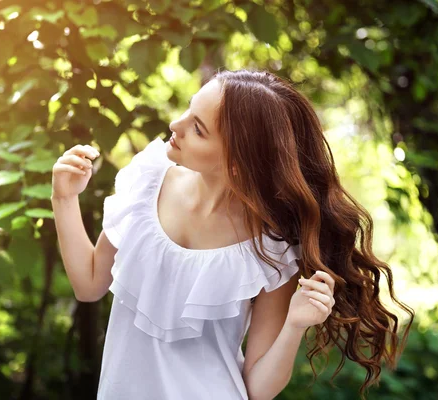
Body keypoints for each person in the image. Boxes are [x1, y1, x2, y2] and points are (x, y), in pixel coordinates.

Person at [51, 69, 414, 400]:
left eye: (198, 128)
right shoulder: (145, 182)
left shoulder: (269, 248)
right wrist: (64, 197)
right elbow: (89, 284)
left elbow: (258, 388)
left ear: (238, 162)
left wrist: (294, 325)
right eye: (188, 111)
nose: (175, 125)